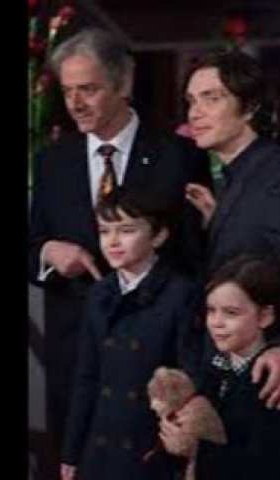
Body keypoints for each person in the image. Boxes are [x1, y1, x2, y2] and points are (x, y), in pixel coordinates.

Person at [27, 27, 211, 479]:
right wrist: (48, 251)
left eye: (88, 89)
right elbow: (32, 245)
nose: (75, 103)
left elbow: (195, 256)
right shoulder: (52, 161)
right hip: (73, 358)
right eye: (67, 91)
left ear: (123, 84)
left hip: (154, 364)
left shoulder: (178, 156)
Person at [182, 49, 280, 410]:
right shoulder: (240, 175)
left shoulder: (279, 183)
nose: (195, 113)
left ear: (249, 108)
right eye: (192, 101)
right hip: (233, 366)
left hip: (264, 376)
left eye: (211, 98)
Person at [60, 190, 202, 480]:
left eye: (126, 231)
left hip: (150, 447)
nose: (112, 241)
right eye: (104, 231)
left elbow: (191, 378)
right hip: (99, 447)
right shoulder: (99, 294)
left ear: (158, 236)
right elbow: (87, 378)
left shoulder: (181, 294)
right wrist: (71, 452)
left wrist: (179, 446)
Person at [159, 255, 280, 479]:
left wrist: (196, 450)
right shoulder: (214, 370)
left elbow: (271, 464)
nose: (216, 322)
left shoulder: (273, 379)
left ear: (265, 317)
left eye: (231, 313)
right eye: (211, 310)